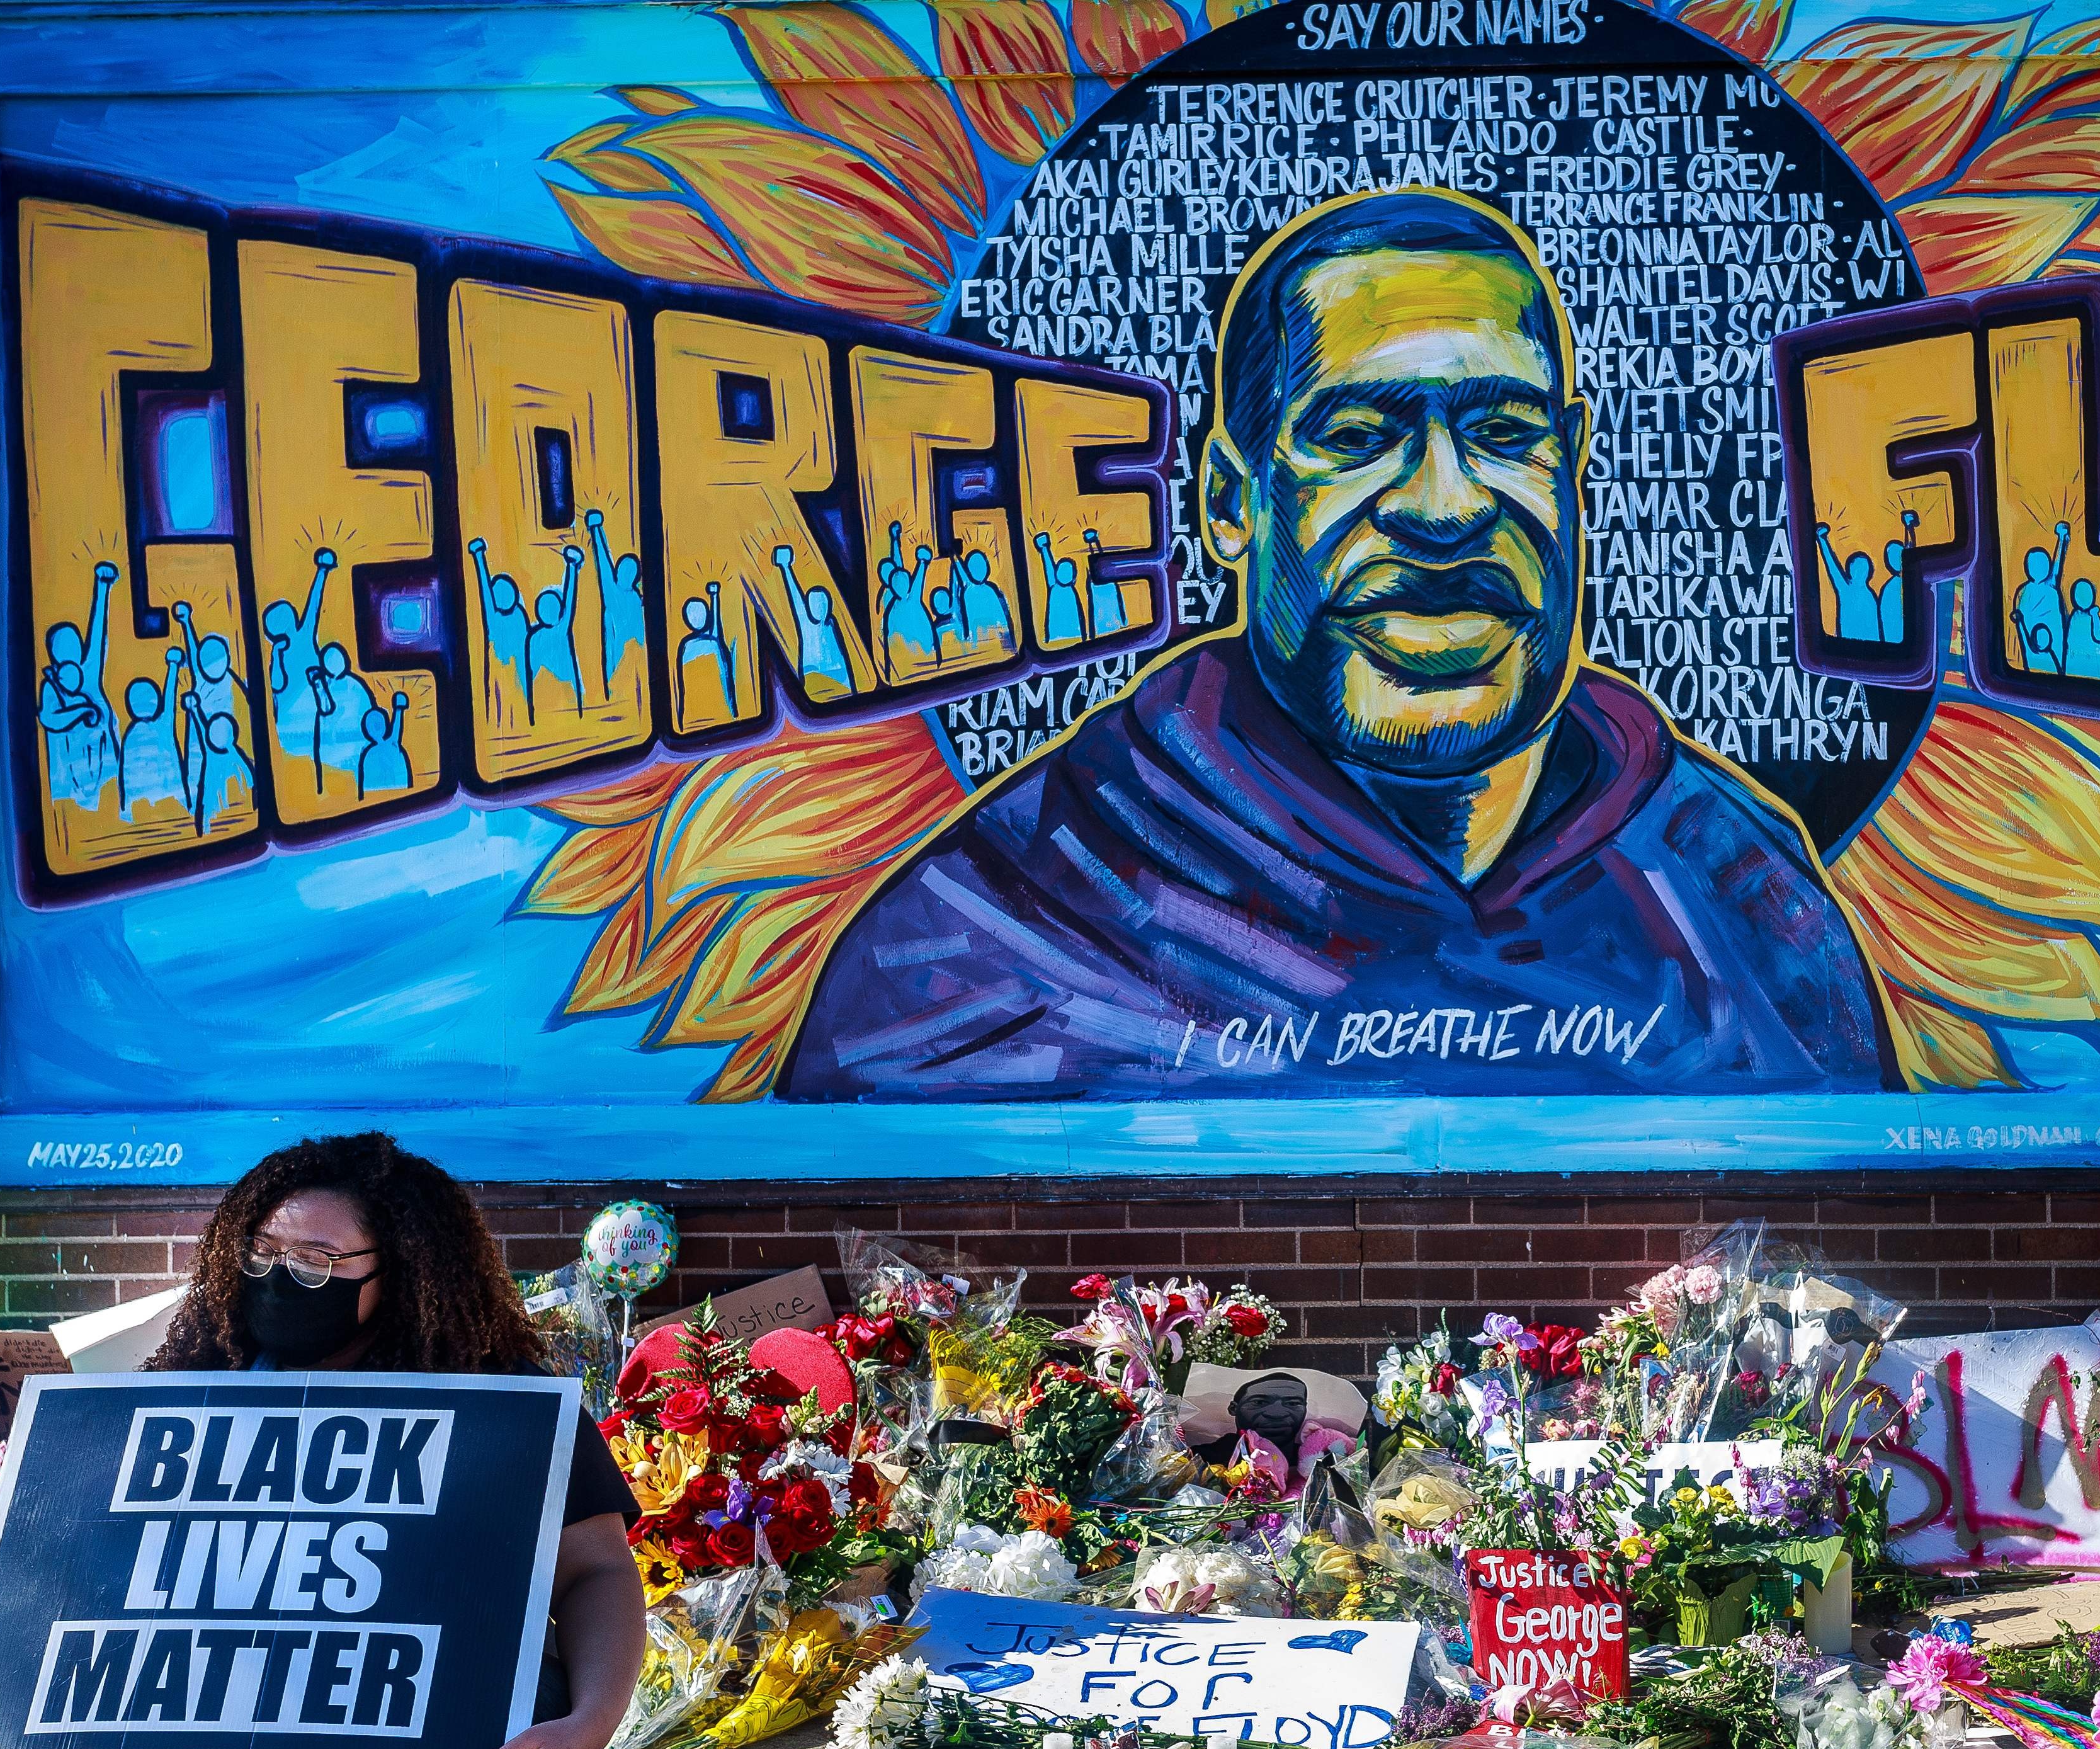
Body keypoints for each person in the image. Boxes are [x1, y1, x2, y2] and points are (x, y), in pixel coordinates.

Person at [779, 188, 1888, 1100]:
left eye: (1505, 432)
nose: (1447, 507)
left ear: (1573, 462)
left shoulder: (1732, 892)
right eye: (1356, 437)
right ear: (1229, 500)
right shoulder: (997, 927)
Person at [0, 1133, 646, 1749]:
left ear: (403, 1272)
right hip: (195, 1747)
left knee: (511, 1715)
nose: (278, 1277)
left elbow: (598, 1570)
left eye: (315, 1261)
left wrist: (584, 1730)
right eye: (261, 1252)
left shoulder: (497, 1399)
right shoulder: (182, 1393)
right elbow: (43, 1597)